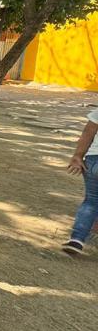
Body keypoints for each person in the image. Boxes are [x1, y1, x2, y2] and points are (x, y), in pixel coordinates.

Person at [62, 109, 98, 255]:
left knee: (91, 201)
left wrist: (78, 155)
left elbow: (89, 131)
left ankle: (76, 240)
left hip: (94, 160)